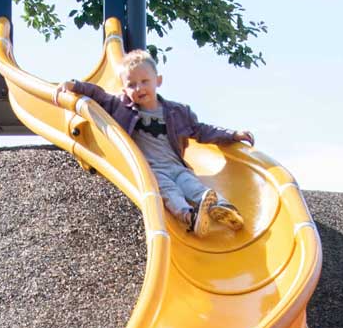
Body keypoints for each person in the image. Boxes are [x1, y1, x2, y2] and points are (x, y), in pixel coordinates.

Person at [59, 51, 252, 235]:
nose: (139, 88)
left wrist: (232, 135)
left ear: (158, 81)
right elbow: (98, 95)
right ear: (124, 88)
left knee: (195, 187)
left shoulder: (177, 112)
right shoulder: (121, 108)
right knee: (169, 192)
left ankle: (223, 208)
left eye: (145, 81)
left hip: (177, 167)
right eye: (132, 84)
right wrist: (74, 85)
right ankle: (189, 217)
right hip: (152, 171)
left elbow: (201, 130)